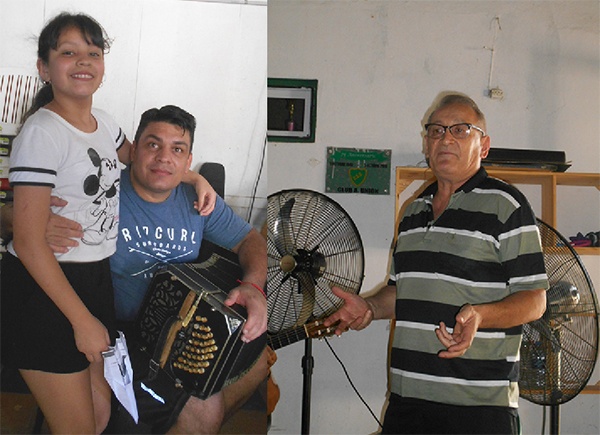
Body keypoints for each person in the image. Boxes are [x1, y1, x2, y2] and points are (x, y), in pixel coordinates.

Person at [0, 14, 215, 434]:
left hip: (92, 279)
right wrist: (82, 321)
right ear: (44, 67)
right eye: (68, 52)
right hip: (44, 289)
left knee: (98, 415)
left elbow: (144, 158)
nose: (83, 60)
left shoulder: (106, 123)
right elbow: (27, 242)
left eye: (93, 52)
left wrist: (193, 176)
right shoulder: (42, 132)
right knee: (78, 427)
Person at [31, 105, 268, 434]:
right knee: (102, 418)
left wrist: (253, 287)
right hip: (111, 331)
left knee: (250, 370)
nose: (164, 157)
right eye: (153, 144)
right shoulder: (101, 191)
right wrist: (30, 222)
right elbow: (20, 218)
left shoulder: (198, 200)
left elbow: (250, 240)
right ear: (134, 150)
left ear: (188, 160)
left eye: (177, 150)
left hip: (174, 333)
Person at [324, 93, 548, 434]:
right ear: (427, 145)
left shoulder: (507, 205)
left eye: (460, 130)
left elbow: (535, 300)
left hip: (479, 407)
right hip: (407, 401)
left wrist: (481, 315)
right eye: (436, 130)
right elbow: (401, 292)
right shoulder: (413, 211)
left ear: (484, 146)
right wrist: (370, 306)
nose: (445, 139)